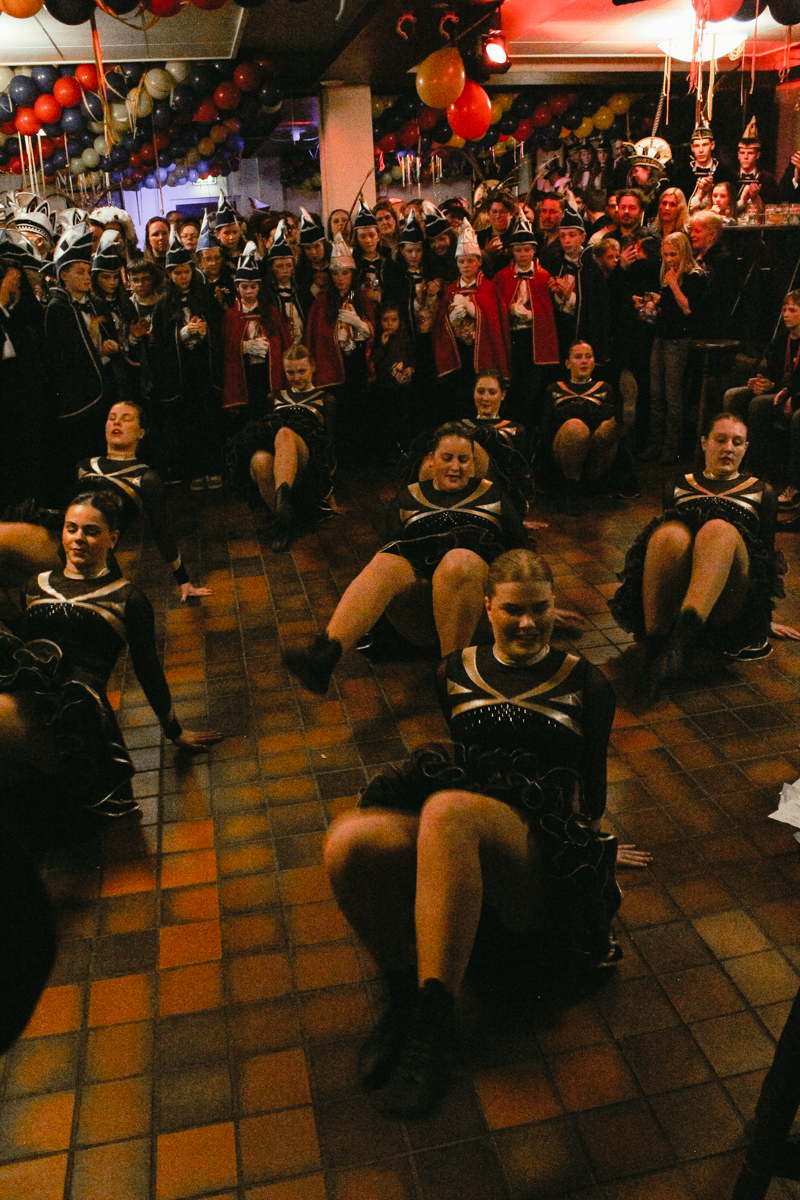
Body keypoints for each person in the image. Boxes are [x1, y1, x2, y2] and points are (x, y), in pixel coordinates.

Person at [322, 549, 626, 1119]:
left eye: (540, 609)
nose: (528, 623)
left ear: (554, 606)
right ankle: (402, 994)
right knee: (350, 840)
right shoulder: (453, 672)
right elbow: (469, 757)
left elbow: (591, 789)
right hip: (467, 829)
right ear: (488, 607)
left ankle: (434, 1031)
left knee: (448, 810)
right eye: (513, 610)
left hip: (540, 851)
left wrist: (600, 848)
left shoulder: (587, 683)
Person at [0, 491, 221, 818]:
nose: (78, 539)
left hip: (77, 712)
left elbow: (148, 669)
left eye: (91, 531)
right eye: (71, 528)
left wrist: (174, 730)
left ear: (112, 539)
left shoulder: (128, 599)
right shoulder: (34, 586)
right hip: (29, 693)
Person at [282, 423, 526, 695]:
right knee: (385, 561)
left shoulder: (493, 494)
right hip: (418, 612)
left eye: (463, 459)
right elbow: (393, 547)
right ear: (431, 460)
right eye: (447, 458)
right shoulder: (407, 498)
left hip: (475, 605)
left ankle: (454, 676)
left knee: (457, 561)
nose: (455, 467)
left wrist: (529, 604)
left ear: (474, 464)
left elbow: (521, 554)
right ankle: (324, 655)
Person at [610, 413, 790, 695]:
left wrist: (765, 620)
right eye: (720, 440)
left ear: (745, 448)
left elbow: (765, 561)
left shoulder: (762, 491)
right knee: (669, 533)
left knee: (717, 530)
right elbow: (665, 557)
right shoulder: (677, 485)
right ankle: (657, 649)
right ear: (705, 443)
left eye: (737, 442)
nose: (728, 448)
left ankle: (681, 642)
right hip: (680, 593)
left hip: (730, 599)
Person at [76, 401, 213, 601]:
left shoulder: (146, 479)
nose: (117, 423)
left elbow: (161, 532)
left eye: (126, 419)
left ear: (141, 433)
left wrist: (184, 580)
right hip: (64, 543)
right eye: (112, 418)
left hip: (97, 556)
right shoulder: (84, 466)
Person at [225, 344, 336, 552]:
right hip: (277, 456)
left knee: (285, 432)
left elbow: (329, 446)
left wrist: (330, 488)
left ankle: (282, 497)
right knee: (260, 459)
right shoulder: (274, 397)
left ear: (313, 368)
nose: (296, 377)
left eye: (302, 371)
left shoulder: (326, 399)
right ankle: (283, 521)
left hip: (306, 458)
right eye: (290, 372)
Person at [150, 229, 222, 489]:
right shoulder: (163, 303)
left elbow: (218, 327)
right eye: (177, 273)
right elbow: (159, 341)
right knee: (186, 422)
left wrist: (204, 331)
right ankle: (194, 470)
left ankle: (212, 467)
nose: (183, 277)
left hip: (203, 368)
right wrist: (181, 334)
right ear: (169, 274)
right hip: (181, 373)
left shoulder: (204, 296)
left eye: (187, 271)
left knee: (208, 419)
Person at [43, 223, 111, 484]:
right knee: (81, 459)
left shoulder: (91, 304)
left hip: (97, 394)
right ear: (63, 274)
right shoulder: (57, 308)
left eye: (88, 271)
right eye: (80, 272)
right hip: (77, 401)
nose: (87, 277)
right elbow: (60, 358)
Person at [539, 341, 634, 511]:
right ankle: (573, 489)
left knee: (609, 428)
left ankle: (623, 418)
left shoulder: (605, 388)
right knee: (576, 427)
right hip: (565, 451)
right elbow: (547, 428)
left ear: (594, 361)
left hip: (597, 452)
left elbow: (605, 417)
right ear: (567, 364)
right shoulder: (554, 389)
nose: (584, 361)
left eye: (588, 356)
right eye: (578, 357)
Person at [304, 233, 374, 466]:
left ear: (352, 274)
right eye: (336, 273)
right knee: (339, 412)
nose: (340, 278)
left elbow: (373, 331)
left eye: (345, 273)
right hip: (332, 366)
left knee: (359, 408)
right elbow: (316, 336)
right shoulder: (322, 301)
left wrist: (361, 326)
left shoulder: (362, 298)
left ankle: (360, 457)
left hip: (357, 364)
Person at [638, 232, 705, 464]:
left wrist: (674, 284)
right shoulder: (667, 275)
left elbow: (687, 308)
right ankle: (655, 443)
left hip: (678, 339)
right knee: (656, 393)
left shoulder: (693, 276)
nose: (668, 259)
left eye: (673, 254)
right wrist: (651, 305)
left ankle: (671, 447)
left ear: (683, 253)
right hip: (661, 336)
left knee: (672, 395)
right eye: (665, 254)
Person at [432, 221, 508, 419]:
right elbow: (440, 326)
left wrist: (475, 312)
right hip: (459, 355)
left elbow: (496, 323)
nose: (466, 266)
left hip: (482, 353)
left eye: (470, 261)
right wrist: (450, 320)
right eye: (462, 261)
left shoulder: (489, 288)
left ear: (479, 262)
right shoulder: (450, 290)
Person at [733, 291, 800, 510]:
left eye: (792, 310)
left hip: (794, 396)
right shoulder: (781, 340)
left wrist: (788, 394)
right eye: (784, 309)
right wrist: (760, 382)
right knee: (737, 396)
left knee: (770, 408)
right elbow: (774, 373)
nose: (786, 314)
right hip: (782, 392)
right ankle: (752, 470)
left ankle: (792, 485)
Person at [493, 211, 559, 428]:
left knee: (534, 389)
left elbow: (550, 314)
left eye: (527, 249)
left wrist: (532, 315)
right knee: (513, 387)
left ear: (534, 250)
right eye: (518, 250)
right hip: (512, 340)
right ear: (511, 251)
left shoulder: (544, 277)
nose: (523, 254)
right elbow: (495, 310)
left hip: (534, 341)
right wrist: (508, 310)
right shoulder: (502, 277)